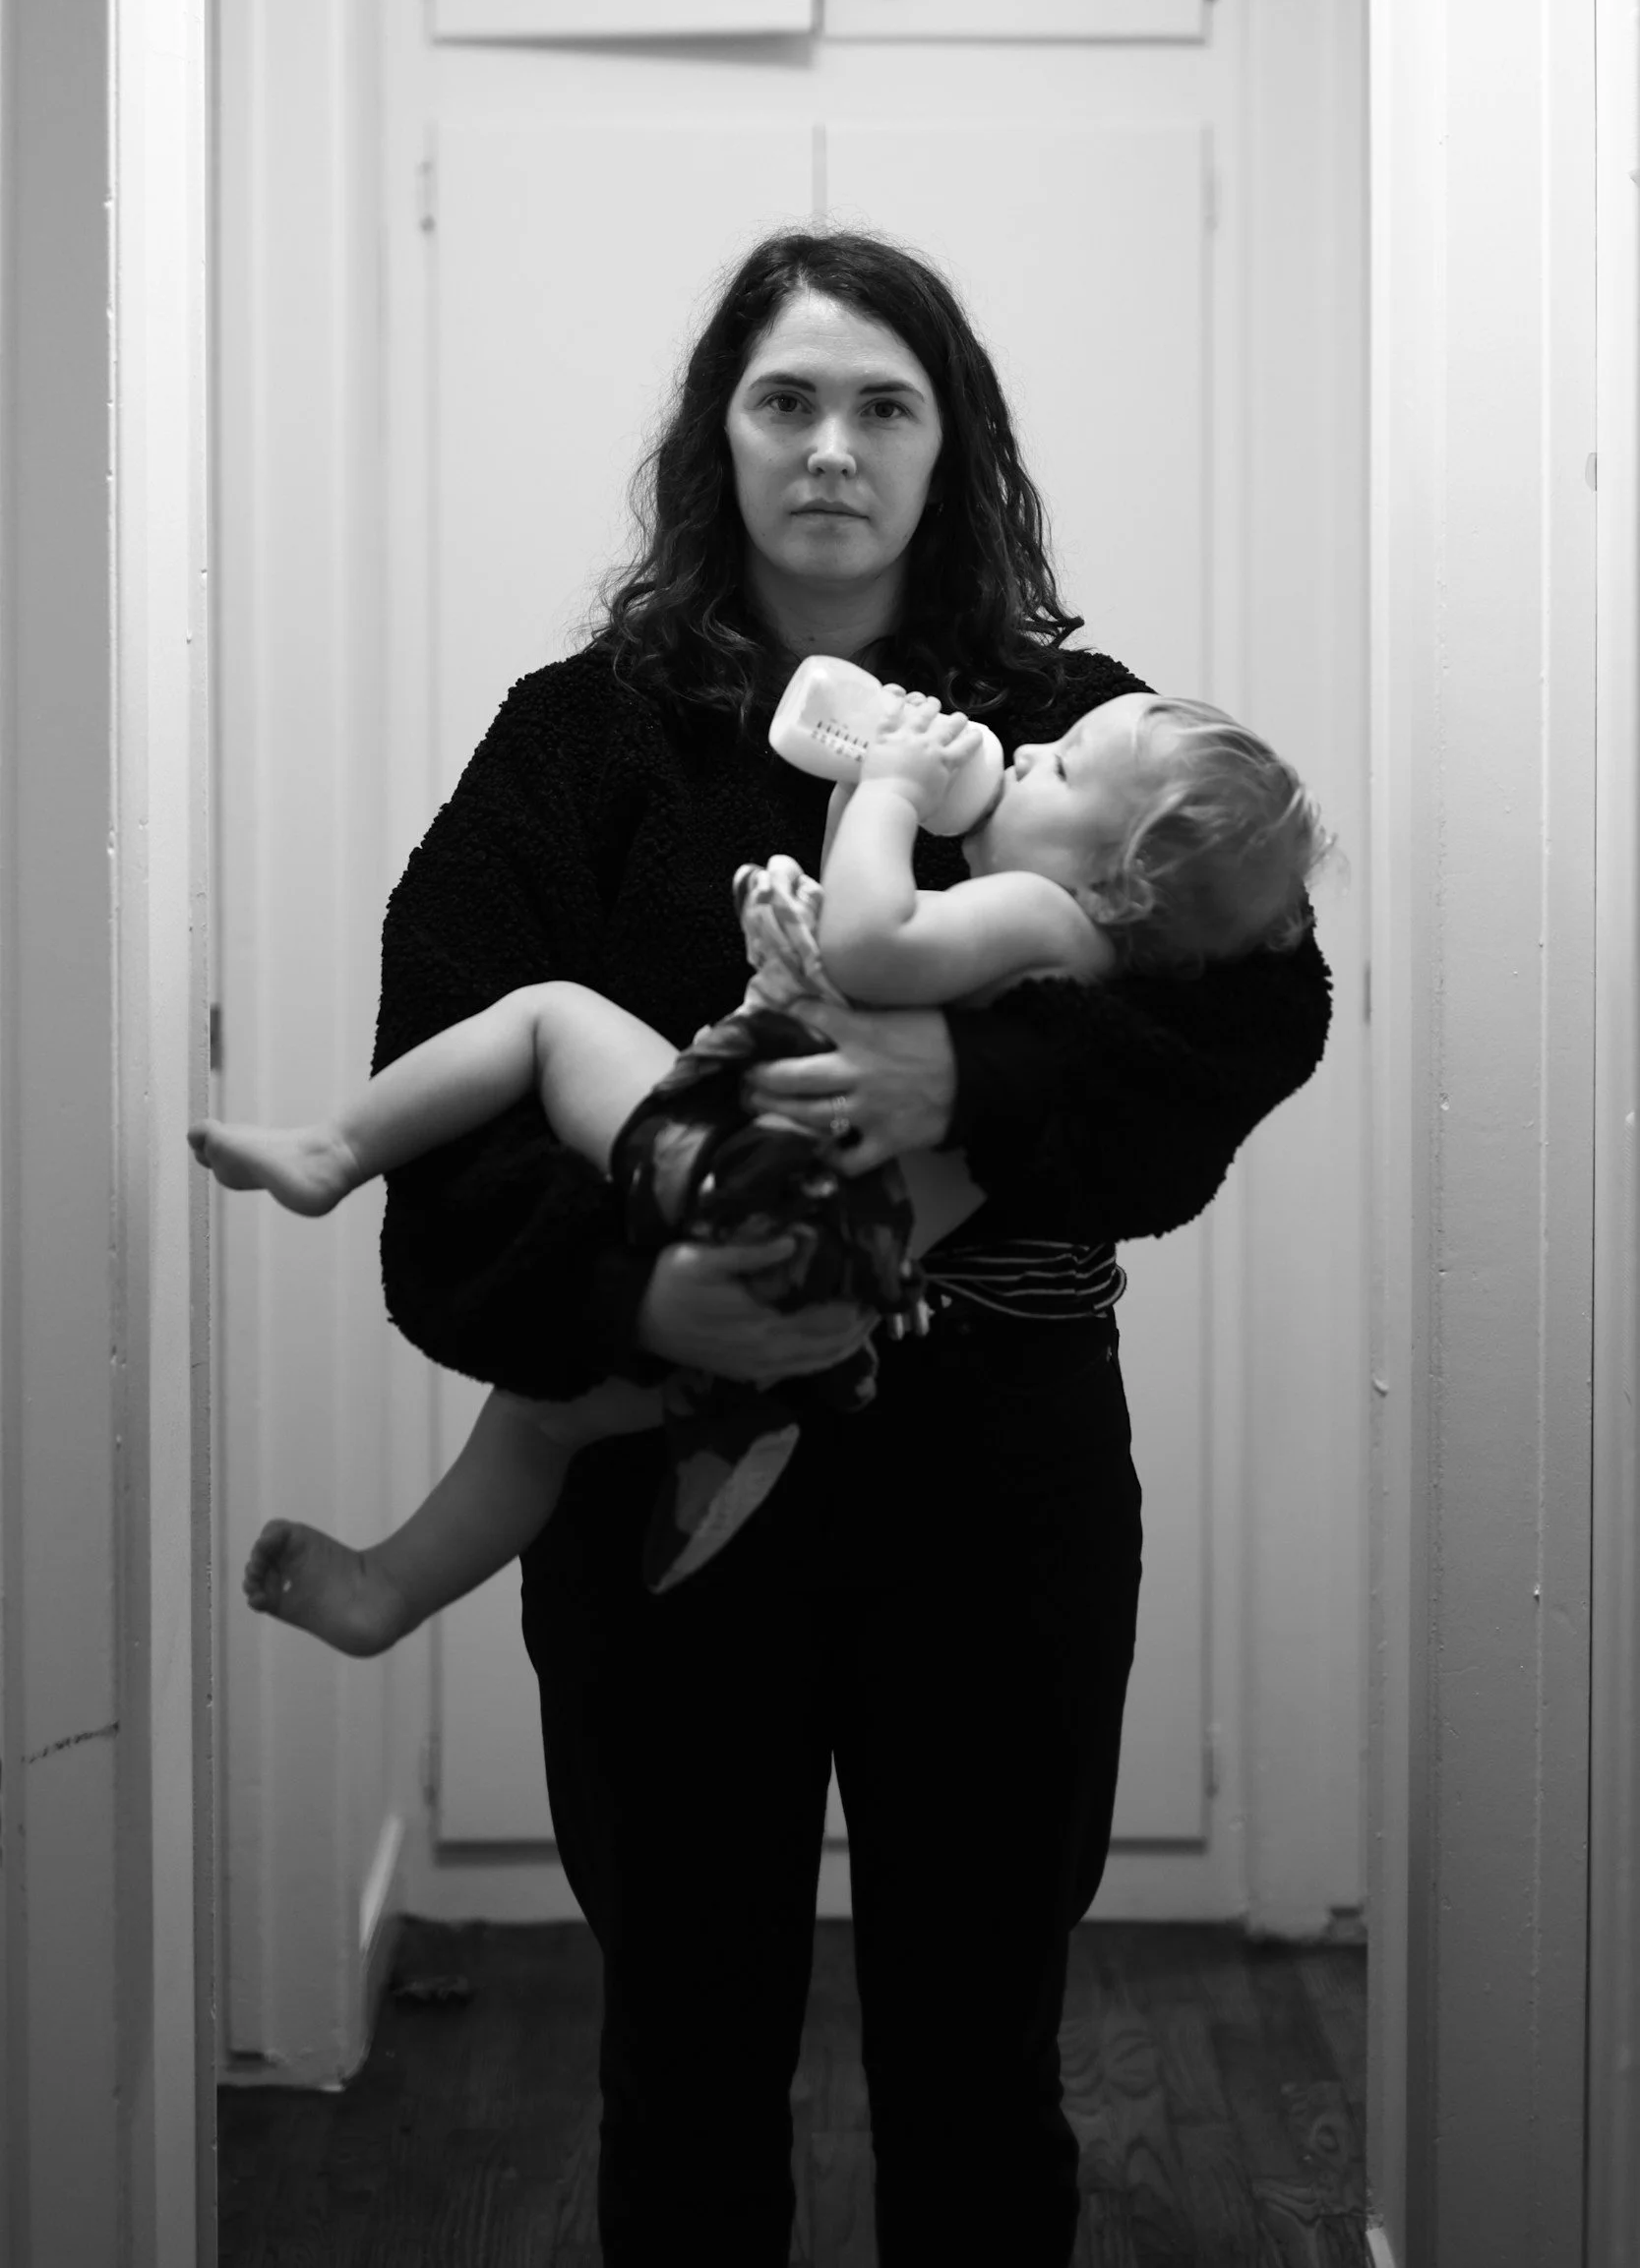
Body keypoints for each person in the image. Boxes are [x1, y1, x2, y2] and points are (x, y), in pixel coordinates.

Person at [359, 230, 1332, 2266]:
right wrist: (627, 1291)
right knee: (684, 2049)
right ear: (715, 439)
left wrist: (961, 1093)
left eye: (880, 402)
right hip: (653, 1474)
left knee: (978, 2051)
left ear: (947, 441)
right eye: (781, 399)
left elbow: (1261, 1008)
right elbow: (436, 1063)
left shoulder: (1083, 732)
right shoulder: (577, 741)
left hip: (998, 1483)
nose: (829, 447)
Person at [192, 686, 1325, 1642]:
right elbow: (873, 934)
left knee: (548, 1020)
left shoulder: (1036, 909)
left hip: (747, 1175)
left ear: (1116, 879)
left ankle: (330, 1151)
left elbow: (866, 945)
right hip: (818, 1281)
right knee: (548, 1417)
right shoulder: (1078, 954)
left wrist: (888, 789)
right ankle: (386, 1588)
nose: (1027, 750)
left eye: (1062, 768)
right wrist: (855, 798)